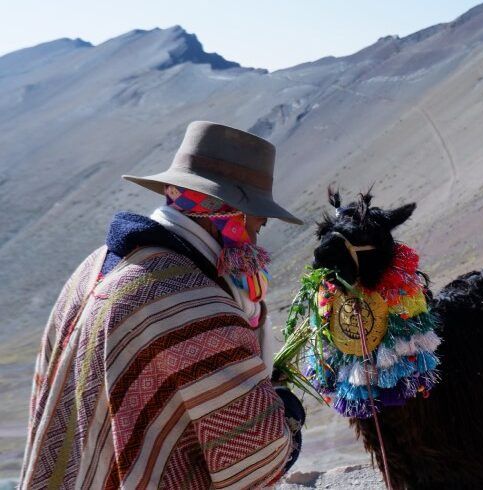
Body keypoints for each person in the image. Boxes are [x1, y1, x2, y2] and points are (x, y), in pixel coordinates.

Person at [20, 121, 307, 489]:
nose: (254, 240)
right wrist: (287, 412)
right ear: (229, 216)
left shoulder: (93, 268)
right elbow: (254, 459)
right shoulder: (197, 309)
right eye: (258, 225)